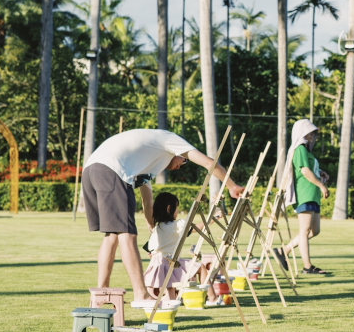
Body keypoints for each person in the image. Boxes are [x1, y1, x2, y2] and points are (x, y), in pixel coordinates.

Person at [82, 128, 241, 303]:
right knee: (127, 234)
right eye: (183, 160)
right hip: (112, 171)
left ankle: (102, 292)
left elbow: (147, 202)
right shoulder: (169, 140)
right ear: (179, 151)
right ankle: (141, 294)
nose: (181, 165)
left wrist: (152, 226)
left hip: (91, 169)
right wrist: (232, 186)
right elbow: (209, 163)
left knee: (111, 234)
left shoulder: (146, 163)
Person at [276, 119, 329, 275]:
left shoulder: (306, 152)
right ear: (303, 133)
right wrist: (321, 185)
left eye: (313, 132)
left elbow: (309, 169)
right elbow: (304, 171)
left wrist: (320, 173)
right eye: (310, 132)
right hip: (304, 194)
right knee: (305, 231)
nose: (313, 135)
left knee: (315, 230)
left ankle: (283, 250)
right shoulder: (299, 149)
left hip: (313, 195)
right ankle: (307, 266)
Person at [143, 192, 198, 302]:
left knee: (164, 289)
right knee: (196, 267)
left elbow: (149, 249)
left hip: (155, 267)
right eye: (176, 208)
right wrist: (213, 219)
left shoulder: (156, 229)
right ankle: (209, 297)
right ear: (169, 209)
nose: (177, 211)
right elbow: (194, 229)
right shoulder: (177, 224)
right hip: (169, 265)